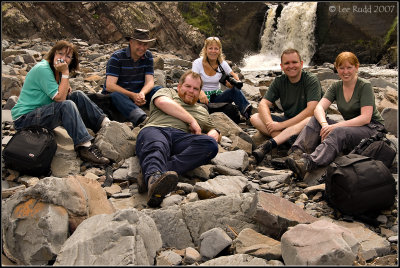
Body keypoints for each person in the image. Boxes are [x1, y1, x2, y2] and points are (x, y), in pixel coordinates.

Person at [285, 51, 386, 180]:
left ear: (357, 67)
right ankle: (297, 155)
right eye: (341, 68)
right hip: (352, 128)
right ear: (336, 68)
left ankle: (309, 163)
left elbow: (365, 118)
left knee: (338, 131)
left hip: (372, 129)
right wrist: (324, 124)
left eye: (349, 67)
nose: (345, 71)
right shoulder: (336, 86)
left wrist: (335, 127)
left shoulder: (364, 85)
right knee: (316, 120)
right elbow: (319, 108)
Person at [11, 40, 110, 165]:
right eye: (60, 54)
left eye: (68, 56)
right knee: (66, 105)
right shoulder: (43, 69)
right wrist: (65, 73)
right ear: (53, 54)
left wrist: (63, 76)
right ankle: (84, 146)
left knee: (77, 95)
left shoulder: (56, 70)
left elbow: (67, 92)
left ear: (72, 60)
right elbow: (60, 99)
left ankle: (105, 124)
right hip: (24, 119)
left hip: (40, 112)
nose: (63, 59)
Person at [135, 70, 220, 207]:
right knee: (157, 145)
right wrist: (191, 120)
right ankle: (153, 181)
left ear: (199, 93)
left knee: (210, 145)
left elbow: (212, 128)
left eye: (196, 88)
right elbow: (162, 102)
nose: (191, 91)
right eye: (188, 86)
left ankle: (154, 174)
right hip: (157, 129)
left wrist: (215, 133)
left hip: (181, 138)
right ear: (179, 87)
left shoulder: (202, 111)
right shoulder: (167, 93)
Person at [250, 48, 323, 163]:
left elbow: (311, 110)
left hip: (308, 125)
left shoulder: (311, 80)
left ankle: (280, 142)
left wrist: (281, 125)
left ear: (301, 64)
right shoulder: (279, 81)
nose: (291, 66)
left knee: (310, 119)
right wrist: (271, 124)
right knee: (255, 118)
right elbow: (263, 103)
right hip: (289, 121)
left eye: (294, 62)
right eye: (287, 63)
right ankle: (288, 144)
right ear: (282, 66)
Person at [102, 28, 162, 126]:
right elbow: (109, 86)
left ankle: (170, 111)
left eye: (145, 44)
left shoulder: (148, 56)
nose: (142, 48)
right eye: (139, 43)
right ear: (131, 42)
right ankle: (142, 119)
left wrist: (142, 94)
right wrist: (132, 95)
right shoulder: (117, 58)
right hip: (120, 97)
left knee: (159, 90)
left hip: (138, 95)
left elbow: (150, 82)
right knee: (115, 95)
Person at [192, 36, 252, 121]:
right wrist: (200, 92)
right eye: (210, 48)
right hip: (200, 96)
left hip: (216, 97)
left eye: (216, 49)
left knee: (235, 91)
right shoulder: (197, 63)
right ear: (205, 50)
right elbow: (193, 81)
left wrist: (232, 84)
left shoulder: (222, 64)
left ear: (219, 50)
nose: (213, 51)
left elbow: (235, 77)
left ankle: (248, 115)